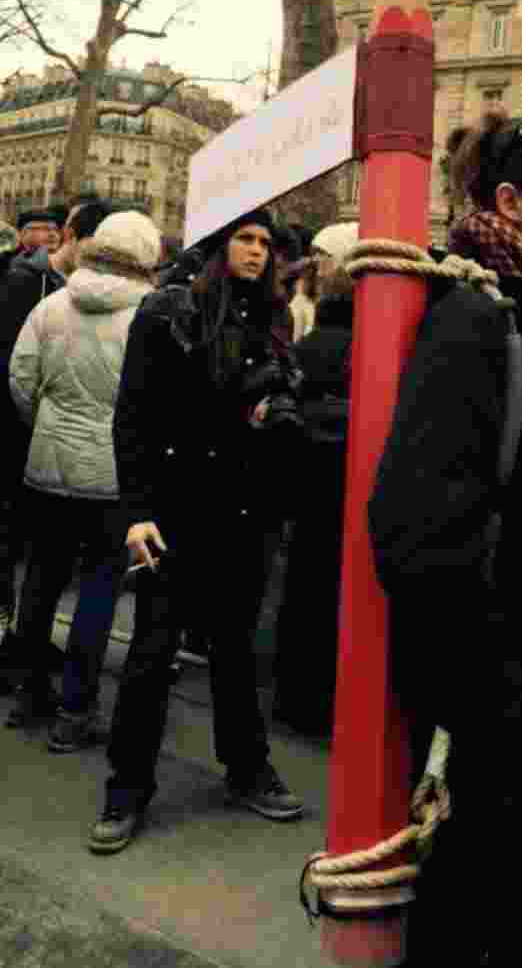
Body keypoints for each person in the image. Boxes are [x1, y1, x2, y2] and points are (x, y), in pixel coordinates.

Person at [369, 106, 522, 967]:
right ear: (511, 204)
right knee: (476, 926)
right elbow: (415, 532)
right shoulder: (481, 321)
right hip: (498, 714)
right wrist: (503, 701)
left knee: (509, 923)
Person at [88, 208, 304, 855]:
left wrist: (272, 413)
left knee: (235, 652)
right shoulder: (164, 312)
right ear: (220, 242)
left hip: (240, 513)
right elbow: (132, 417)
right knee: (151, 657)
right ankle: (126, 789)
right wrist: (137, 511)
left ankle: (247, 767)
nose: (257, 251)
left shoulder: (273, 316)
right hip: (173, 512)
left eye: (266, 242)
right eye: (245, 237)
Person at [6, 212, 159, 743]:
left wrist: (46, 426)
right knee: (98, 593)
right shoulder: (150, 315)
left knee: (41, 583)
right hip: (114, 479)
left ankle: (27, 694)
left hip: (45, 470)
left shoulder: (50, 306)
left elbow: (21, 380)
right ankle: (75, 711)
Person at [0, 199, 111, 689]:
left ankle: (22, 641)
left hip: (45, 441)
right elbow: (14, 369)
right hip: (16, 434)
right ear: (72, 236)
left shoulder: (75, 290)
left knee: (31, 551)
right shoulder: (24, 282)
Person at [273, 264, 353, 736]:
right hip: (348, 485)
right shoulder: (374, 353)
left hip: (304, 485)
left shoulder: (302, 350)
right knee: (337, 597)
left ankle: (293, 694)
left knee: (302, 589)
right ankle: (325, 698)